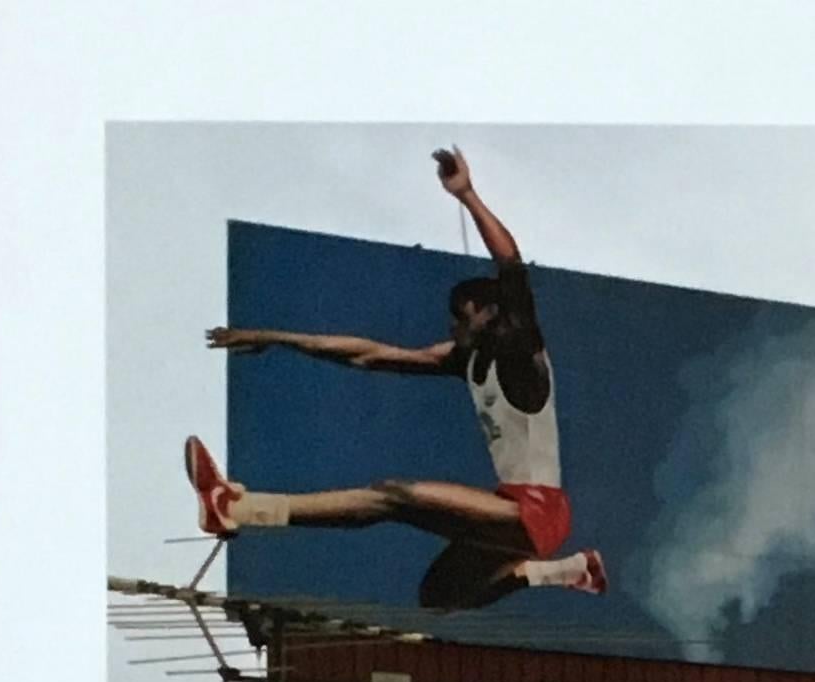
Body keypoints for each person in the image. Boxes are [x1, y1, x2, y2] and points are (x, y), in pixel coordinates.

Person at [184, 148, 604, 608]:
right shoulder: (462, 359)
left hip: (537, 511)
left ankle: (240, 507)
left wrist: (467, 195)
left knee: (393, 496)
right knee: (440, 595)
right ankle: (569, 569)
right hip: (509, 511)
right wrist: (275, 336)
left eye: (460, 318)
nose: (451, 328)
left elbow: (511, 264)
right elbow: (369, 355)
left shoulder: (520, 348)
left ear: (489, 314)